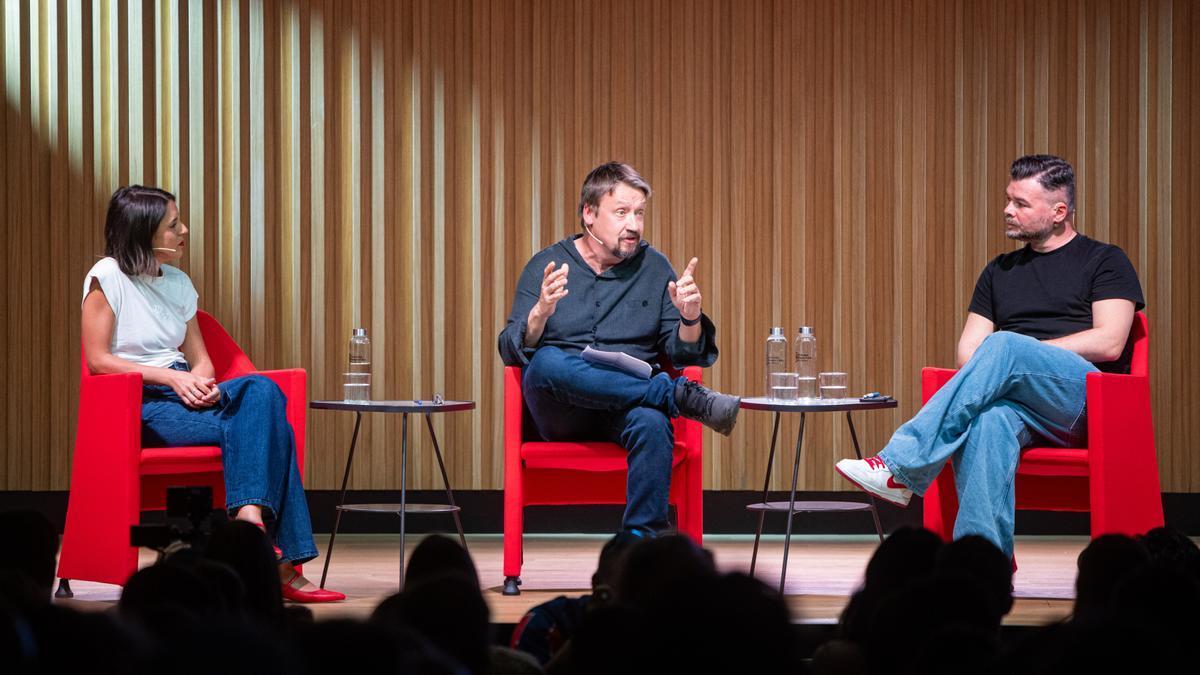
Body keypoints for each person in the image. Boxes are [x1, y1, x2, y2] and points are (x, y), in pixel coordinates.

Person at [836, 154, 1145, 559]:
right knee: (988, 421)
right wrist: (1013, 360)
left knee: (1004, 345)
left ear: (1059, 212)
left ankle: (900, 465)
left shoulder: (1105, 260)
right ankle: (980, 565)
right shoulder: (1000, 271)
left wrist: (1022, 355)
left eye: (1021, 203)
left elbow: (1110, 342)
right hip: (1021, 406)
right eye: (1008, 199)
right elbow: (968, 353)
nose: (1007, 210)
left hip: (1084, 405)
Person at [81, 185, 344, 603]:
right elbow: (98, 360)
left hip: (187, 390)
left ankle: (249, 515)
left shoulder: (179, 283)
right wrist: (171, 381)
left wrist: (199, 383)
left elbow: (200, 360)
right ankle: (281, 566)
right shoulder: (108, 276)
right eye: (173, 225)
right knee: (277, 430)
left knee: (262, 389)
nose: (184, 230)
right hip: (140, 402)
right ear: (143, 232)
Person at [498, 162, 740, 537]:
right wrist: (539, 314)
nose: (634, 225)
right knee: (544, 362)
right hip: (563, 413)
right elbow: (509, 349)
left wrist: (690, 318)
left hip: (626, 409)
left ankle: (642, 542)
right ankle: (676, 396)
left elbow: (682, 353)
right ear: (589, 213)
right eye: (622, 212)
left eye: (639, 213)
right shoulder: (546, 266)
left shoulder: (655, 268)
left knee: (653, 422)